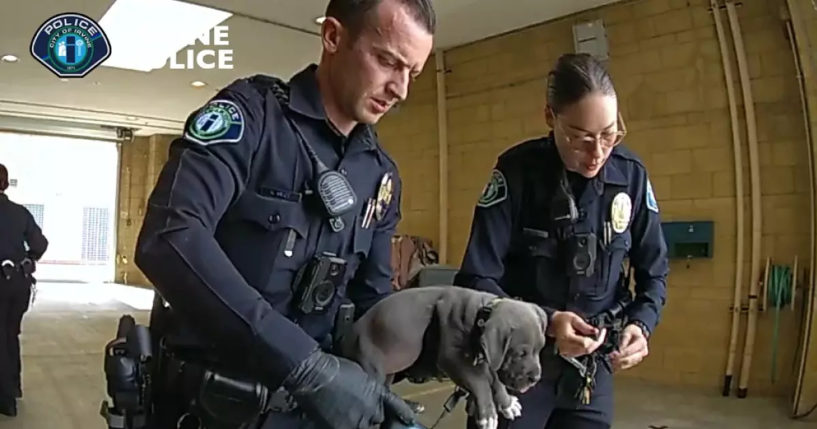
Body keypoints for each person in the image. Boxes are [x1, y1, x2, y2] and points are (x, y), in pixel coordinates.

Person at [132, 1, 435, 428]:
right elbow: (169, 235)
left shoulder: (382, 176)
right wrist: (302, 365)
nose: (400, 89)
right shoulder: (251, 117)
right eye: (388, 61)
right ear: (333, 37)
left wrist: (437, 345)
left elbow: (372, 303)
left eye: (413, 73)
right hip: (209, 410)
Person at [453, 53, 669, 429]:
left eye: (608, 134)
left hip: (591, 373)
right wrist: (548, 323)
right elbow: (475, 280)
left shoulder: (630, 177)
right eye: (581, 138)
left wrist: (642, 325)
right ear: (550, 117)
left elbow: (655, 275)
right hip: (516, 367)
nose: (597, 152)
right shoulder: (516, 174)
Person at [0, 163, 48, 417]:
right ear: (5, 184)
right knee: (10, 334)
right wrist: (27, 258)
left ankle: (6, 399)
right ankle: (14, 388)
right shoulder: (20, 213)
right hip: (18, 283)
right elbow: (40, 244)